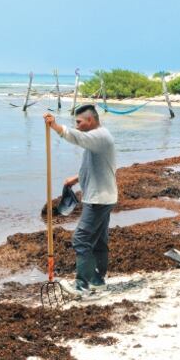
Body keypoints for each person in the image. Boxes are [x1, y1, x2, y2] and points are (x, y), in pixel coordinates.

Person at [44, 105, 117, 298]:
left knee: (81, 239)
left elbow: (76, 137)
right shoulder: (100, 137)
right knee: (99, 240)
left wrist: (55, 126)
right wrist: (77, 178)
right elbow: (99, 164)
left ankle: (81, 285)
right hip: (105, 196)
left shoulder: (98, 136)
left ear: (90, 121)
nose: (76, 125)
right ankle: (97, 280)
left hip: (98, 199)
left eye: (79, 122)